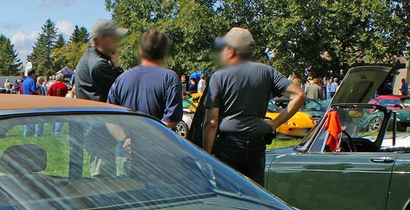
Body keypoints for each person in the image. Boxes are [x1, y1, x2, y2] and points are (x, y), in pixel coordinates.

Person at [203, 27, 305, 186]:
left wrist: (206, 156)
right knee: (255, 193)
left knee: (228, 193)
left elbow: (211, 123)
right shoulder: (267, 72)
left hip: (229, 144)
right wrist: (276, 123)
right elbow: (299, 95)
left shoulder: (219, 76)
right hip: (256, 144)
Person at [107, 30, 182, 129]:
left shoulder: (121, 79)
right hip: (157, 143)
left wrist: (125, 139)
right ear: (164, 52)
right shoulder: (170, 78)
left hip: (128, 143)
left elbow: (110, 119)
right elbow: (171, 120)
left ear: (141, 51)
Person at [74, 19, 127, 102]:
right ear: (103, 39)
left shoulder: (89, 57)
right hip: (100, 114)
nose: (117, 42)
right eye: (115, 38)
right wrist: (117, 68)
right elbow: (123, 92)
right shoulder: (99, 65)